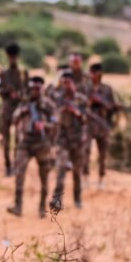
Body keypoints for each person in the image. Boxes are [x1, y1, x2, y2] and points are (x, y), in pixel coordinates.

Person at [7, 77, 57, 218]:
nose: (35, 91)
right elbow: (14, 119)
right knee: (19, 172)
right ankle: (18, 206)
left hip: (42, 142)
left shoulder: (48, 105)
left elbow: (55, 123)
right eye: (33, 88)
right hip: (26, 141)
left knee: (44, 176)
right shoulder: (25, 103)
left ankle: (42, 208)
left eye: (37, 88)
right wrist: (23, 112)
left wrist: (44, 125)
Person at [50, 71, 89, 212]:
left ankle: (77, 199)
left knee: (77, 172)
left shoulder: (81, 99)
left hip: (77, 140)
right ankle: (56, 201)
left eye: (68, 82)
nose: (66, 85)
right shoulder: (58, 98)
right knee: (61, 170)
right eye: (64, 82)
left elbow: (86, 118)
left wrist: (76, 112)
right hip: (63, 140)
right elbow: (53, 116)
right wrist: (62, 109)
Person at [0, 42, 27, 176]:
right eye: (11, 57)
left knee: (19, 138)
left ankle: (17, 164)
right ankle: (8, 166)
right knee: (6, 139)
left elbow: (29, 91)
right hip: (7, 108)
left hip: (20, 108)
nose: (13, 59)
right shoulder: (3, 74)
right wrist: (6, 91)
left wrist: (19, 95)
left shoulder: (23, 73)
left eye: (14, 57)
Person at [85, 63, 119, 188]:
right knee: (86, 152)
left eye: (94, 73)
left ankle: (101, 179)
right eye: (91, 73)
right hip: (88, 125)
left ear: (99, 73)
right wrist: (90, 101)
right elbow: (80, 104)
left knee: (102, 154)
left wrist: (107, 105)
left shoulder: (107, 89)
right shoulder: (86, 88)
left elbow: (112, 106)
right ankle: (85, 178)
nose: (92, 75)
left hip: (103, 125)